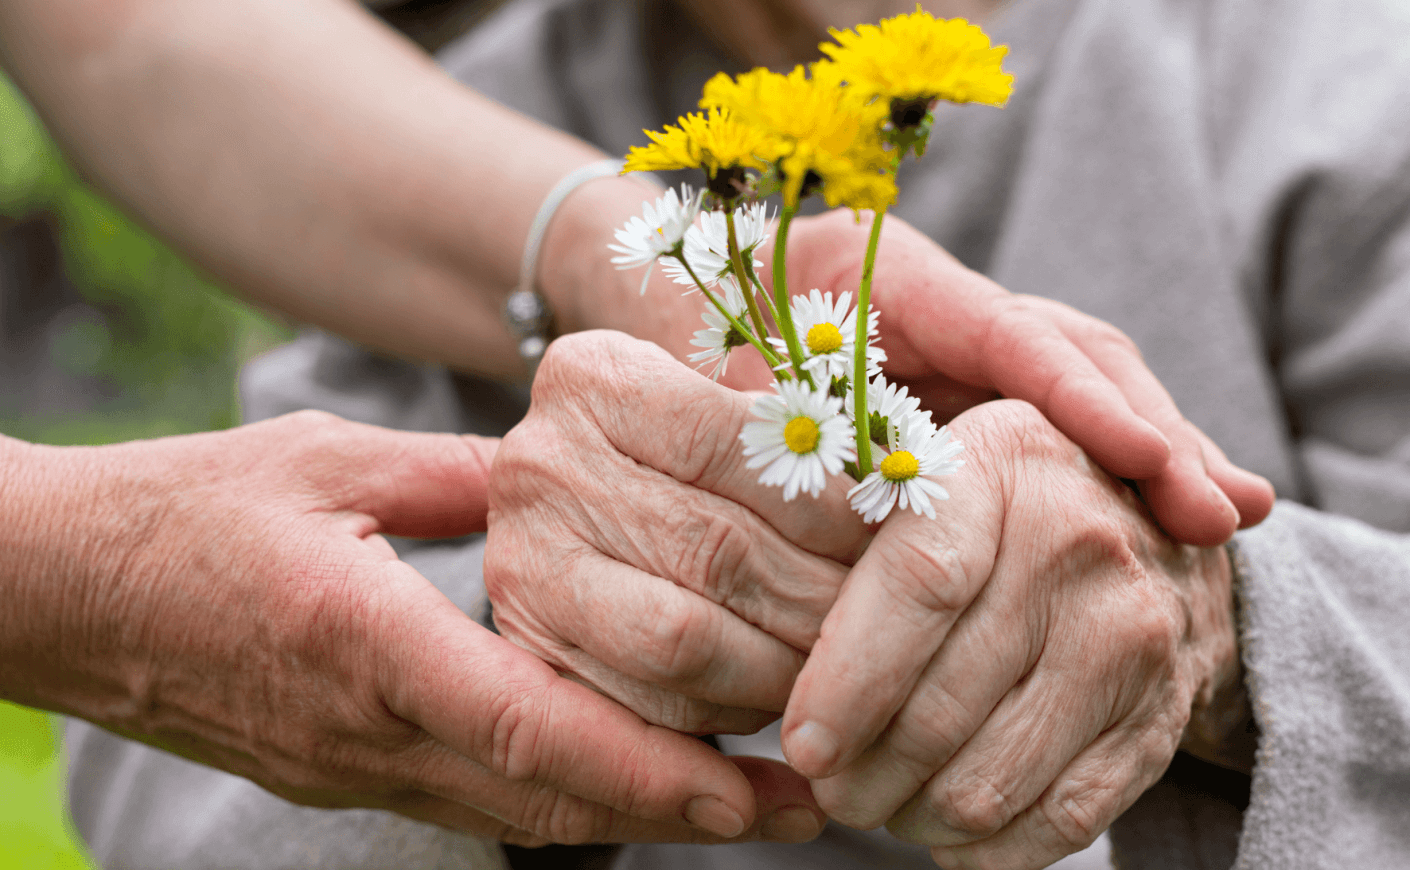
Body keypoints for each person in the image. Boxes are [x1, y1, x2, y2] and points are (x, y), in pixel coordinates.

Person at [58, 0, 1407, 868]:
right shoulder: (414, 156)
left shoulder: (1338, 90)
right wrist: (539, 639)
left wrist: (1228, 627)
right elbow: (164, 784)